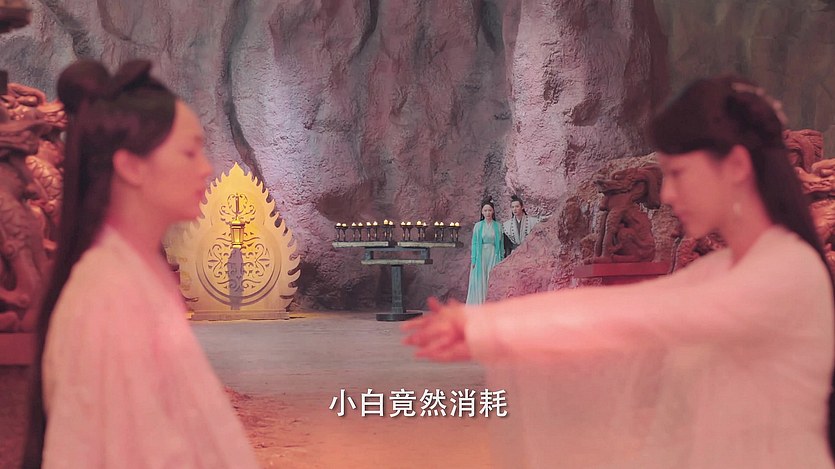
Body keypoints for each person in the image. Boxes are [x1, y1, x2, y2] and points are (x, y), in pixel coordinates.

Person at [404, 76, 835, 468]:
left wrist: (489, 328)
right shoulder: (722, 268)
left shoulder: (785, 271)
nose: (668, 193)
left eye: (679, 173)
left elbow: (631, 316)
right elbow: (632, 310)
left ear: (737, 166)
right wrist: (489, 327)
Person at [22, 60, 259, 468]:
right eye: (189, 152)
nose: (206, 168)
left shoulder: (133, 272)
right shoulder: (108, 297)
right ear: (131, 166)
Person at [466, 199, 505, 305]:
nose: (488, 213)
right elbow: (474, 243)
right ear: (482, 212)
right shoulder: (478, 226)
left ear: (493, 211)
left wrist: (501, 259)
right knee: (481, 279)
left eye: (490, 210)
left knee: (491, 277)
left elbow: (501, 244)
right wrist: (474, 259)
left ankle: (491, 304)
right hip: (481, 255)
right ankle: (480, 303)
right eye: (485, 210)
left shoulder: (498, 226)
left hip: (494, 254)